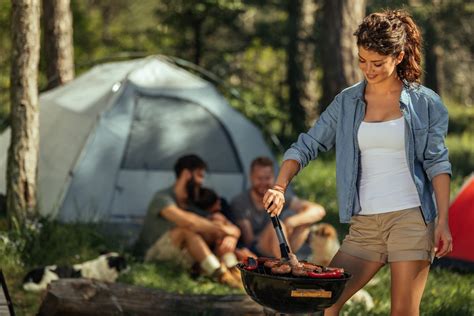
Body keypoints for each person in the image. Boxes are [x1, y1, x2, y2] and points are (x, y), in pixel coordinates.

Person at [263, 10, 453, 316]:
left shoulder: (425, 102)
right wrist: (279, 186)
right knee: (323, 302)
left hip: (411, 219)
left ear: (399, 56)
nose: (368, 69)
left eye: (377, 63)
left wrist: (442, 220)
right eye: (362, 60)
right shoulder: (347, 101)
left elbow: (437, 164)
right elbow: (308, 144)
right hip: (365, 225)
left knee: (403, 312)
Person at [134, 154, 242, 288]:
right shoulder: (162, 198)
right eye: (199, 175)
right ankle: (222, 276)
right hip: (151, 256)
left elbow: (224, 226)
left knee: (214, 226)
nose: (201, 182)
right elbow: (189, 222)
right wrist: (223, 230)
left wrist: (231, 236)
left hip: (180, 256)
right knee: (186, 230)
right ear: (186, 174)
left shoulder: (192, 204)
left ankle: (235, 272)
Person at [230, 156, 326, 258]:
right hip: (257, 249)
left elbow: (319, 211)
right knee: (275, 227)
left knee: (304, 222)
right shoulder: (240, 202)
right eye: (259, 178)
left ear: (273, 177)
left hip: (281, 244)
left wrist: (291, 222)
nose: (263, 183)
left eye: (267, 178)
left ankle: (288, 259)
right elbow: (249, 240)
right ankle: (288, 263)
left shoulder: (278, 198)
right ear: (251, 177)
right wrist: (279, 230)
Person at [195, 187, 256, 264]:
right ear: (209, 207)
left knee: (248, 256)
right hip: (216, 251)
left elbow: (235, 229)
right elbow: (231, 230)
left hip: (231, 247)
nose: (220, 206)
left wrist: (232, 237)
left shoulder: (221, 213)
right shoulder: (213, 219)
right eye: (217, 204)